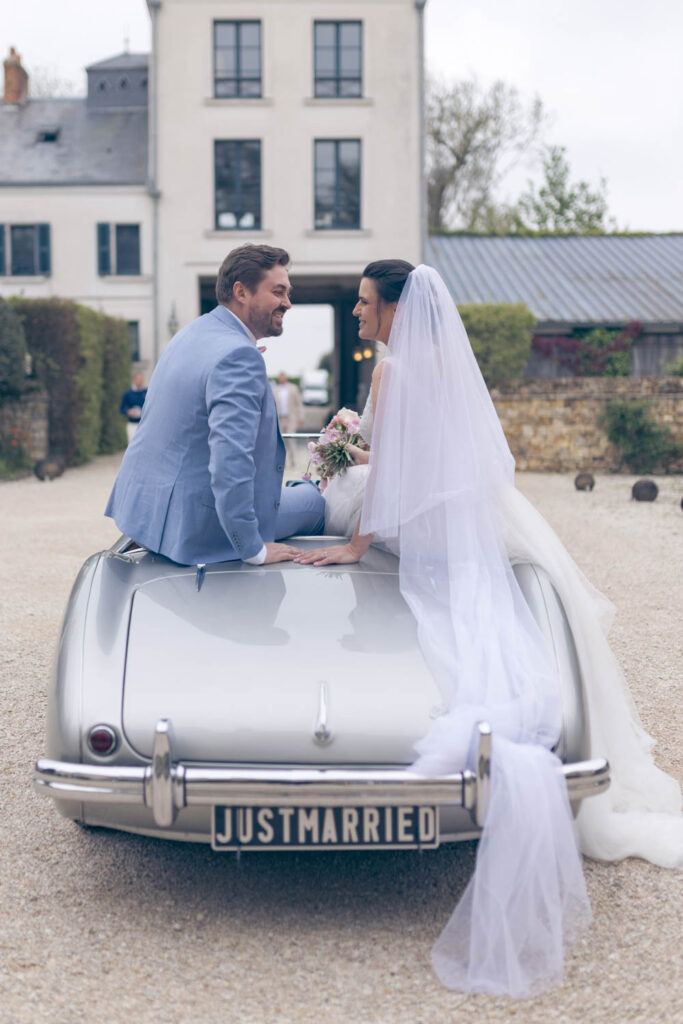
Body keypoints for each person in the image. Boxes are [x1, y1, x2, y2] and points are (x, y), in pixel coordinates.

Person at [295, 260, 682, 997]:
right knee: (510, 622)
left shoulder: (392, 371)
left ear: (397, 310)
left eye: (366, 304)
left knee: (338, 501)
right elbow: (449, 457)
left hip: (420, 531)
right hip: (471, 521)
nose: (356, 316)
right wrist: (355, 443)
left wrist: (350, 525)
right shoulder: (445, 366)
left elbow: (387, 480)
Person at [105, 244, 325, 566]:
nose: (287, 303)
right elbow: (229, 464)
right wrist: (252, 549)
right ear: (241, 292)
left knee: (302, 491)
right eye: (278, 292)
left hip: (148, 513)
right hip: (199, 527)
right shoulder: (238, 356)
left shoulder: (190, 334)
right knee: (318, 503)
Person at [271, 370, 304, 464]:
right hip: (279, 419)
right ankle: (282, 462)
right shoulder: (274, 389)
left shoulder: (293, 388)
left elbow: (299, 404)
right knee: (281, 441)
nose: (281, 378)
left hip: (291, 418)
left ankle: (293, 460)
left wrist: (301, 417)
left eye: (283, 376)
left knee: (291, 439)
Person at [119, 372, 148, 442]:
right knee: (132, 443)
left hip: (143, 424)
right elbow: (121, 409)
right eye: (138, 379)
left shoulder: (146, 392)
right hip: (132, 424)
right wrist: (128, 412)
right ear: (134, 380)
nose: (140, 381)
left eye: (141, 379)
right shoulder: (128, 394)